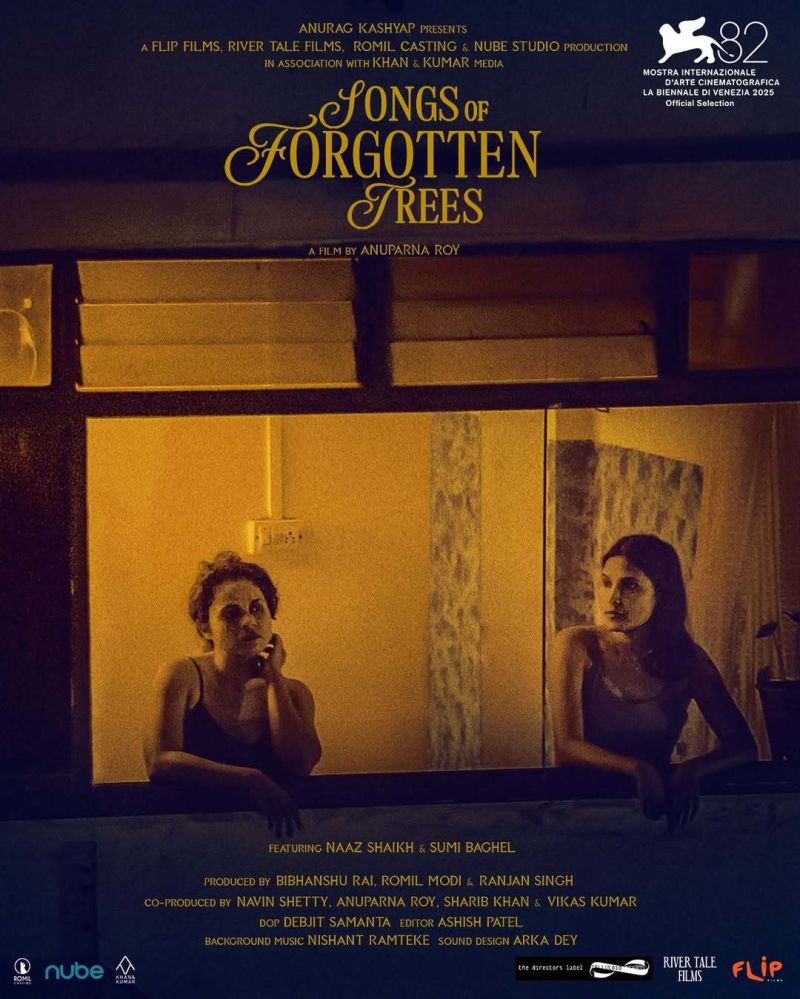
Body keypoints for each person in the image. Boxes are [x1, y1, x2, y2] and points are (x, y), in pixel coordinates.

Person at [549, 534, 756, 828]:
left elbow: (743, 746)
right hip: (583, 807)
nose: (613, 598)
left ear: (661, 595)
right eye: (606, 582)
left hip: (655, 811)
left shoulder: (688, 658)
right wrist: (638, 769)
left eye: (630, 586)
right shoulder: (575, 644)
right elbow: (567, 746)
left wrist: (692, 771)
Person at [145, 552, 321, 837]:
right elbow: (160, 761)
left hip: (273, 843)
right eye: (231, 613)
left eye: (257, 608)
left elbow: (301, 764)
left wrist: (274, 677)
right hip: (194, 838)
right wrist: (250, 778)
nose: (249, 622)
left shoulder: (294, 693)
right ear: (205, 627)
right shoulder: (182, 676)